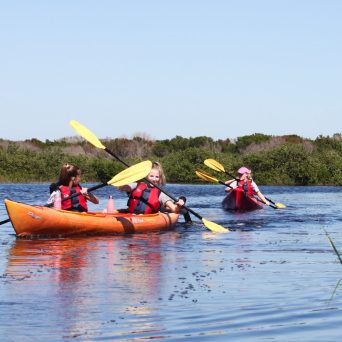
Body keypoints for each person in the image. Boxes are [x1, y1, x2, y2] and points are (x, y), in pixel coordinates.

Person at [118, 161, 186, 214]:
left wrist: (179, 206)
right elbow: (122, 188)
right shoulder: (136, 185)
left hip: (148, 219)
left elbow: (174, 209)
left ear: (160, 178)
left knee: (167, 208)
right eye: (151, 176)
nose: (154, 179)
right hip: (131, 215)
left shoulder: (161, 193)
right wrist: (126, 178)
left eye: (157, 177)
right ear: (146, 176)